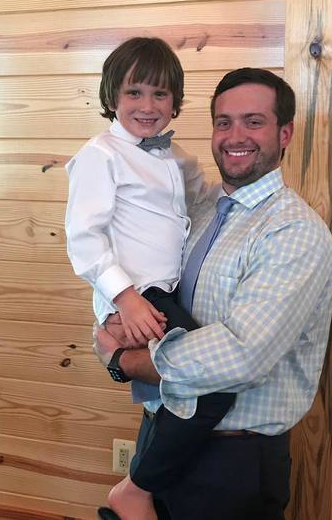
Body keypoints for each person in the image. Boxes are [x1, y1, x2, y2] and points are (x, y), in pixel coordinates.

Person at [94, 68, 332, 520]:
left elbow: (242, 356)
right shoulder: (196, 210)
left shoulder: (293, 231)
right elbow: (140, 277)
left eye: (253, 121)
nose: (235, 136)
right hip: (160, 433)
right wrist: (113, 318)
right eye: (224, 122)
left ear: (284, 134)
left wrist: (123, 361)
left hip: (231, 462)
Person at [65, 37, 235, 520]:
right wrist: (127, 299)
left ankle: (140, 497)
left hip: (167, 292)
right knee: (211, 386)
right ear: (112, 96)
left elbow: (204, 202)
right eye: (134, 92)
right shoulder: (100, 155)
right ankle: (135, 490)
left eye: (160, 94)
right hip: (137, 293)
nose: (147, 105)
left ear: (175, 101)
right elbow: (84, 238)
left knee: (171, 398)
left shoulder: (175, 157)